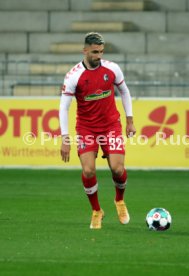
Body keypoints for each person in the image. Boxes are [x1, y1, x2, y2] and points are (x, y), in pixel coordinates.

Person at [59, 32, 136, 229]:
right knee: (88, 169)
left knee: (118, 169)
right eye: (94, 52)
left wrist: (129, 120)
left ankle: (119, 200)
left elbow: (125, 91)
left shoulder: (112, 69)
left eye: (101, 52)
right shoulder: (73, 76)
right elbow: (64, 108)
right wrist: (65, 138)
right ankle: (96, 211)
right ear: (85, 50)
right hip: (87, 128)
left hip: (111, 126)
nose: (98, 56)